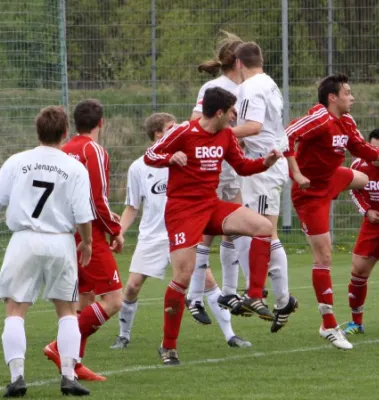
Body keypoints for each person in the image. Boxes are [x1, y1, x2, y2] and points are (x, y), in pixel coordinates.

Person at [144, 87, 281, 365]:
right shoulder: (183, 131)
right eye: (232, 111)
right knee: (182, 276)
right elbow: (150, 155)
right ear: (219, 112)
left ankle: (254, 295)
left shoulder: (227, 135)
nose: (234, 116)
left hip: (211, 205)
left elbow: (242, 167)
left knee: (263, 227)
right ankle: (168, 346)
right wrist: (170, 158)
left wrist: (264, 164)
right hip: (182, 211)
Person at [285, 73, 379, 349]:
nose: (352, 97)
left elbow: (361, 148)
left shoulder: (346, 121)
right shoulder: (319, 118)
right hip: (309, 193)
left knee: (365, 180)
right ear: (333, 97)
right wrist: (296, 174)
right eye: (347, 93)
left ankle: (326, 202)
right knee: (324, 256)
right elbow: (287, 136)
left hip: (330, 179)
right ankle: (328, 324)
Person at [0, 106, 91, 397]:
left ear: (37, 131)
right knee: (67, 311)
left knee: (15, 309)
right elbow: (82, 215)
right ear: (65, 133)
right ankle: (68, 376)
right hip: (61, 241)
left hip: (24, 240)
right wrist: (87, 242)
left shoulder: (17, 161)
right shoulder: (75, 167)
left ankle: (17, 378)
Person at [110, 112, 251, 350]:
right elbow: (132, 207)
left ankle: (230, 335)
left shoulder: (189, 156)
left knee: (207, 282)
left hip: (184, 229)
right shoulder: (140, 166)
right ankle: (123, 335)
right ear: (158, 134)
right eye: (171, 127)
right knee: (132, 286)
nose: (179, 131)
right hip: (152, 236)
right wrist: (119, 232)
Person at [44, 99, 124, 381]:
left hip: (65, 233)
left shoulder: (63, 150)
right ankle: (59, 346)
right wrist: (115, 229)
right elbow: (97, 201)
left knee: (85, 298)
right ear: (101, 123)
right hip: (89, 235)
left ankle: (74, 364)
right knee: (114, 299)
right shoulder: (94, 150)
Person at [185, 31, 252, 324]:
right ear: (238, 61)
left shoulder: (249, 87)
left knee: (233, 228)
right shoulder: (214, 88)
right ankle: (195, 296)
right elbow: (194, 123)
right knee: (207, 232)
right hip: (212, 167)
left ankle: (228, 291)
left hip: (232, 167)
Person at [231, 41, 298, 333]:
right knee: (259, 232)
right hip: (269, 163)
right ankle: (278, 297)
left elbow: (254, 126)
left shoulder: (250, 87)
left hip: (264, 166)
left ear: (238, 64)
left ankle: (264, 294)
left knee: (260, 232)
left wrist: (217, 132)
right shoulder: (269, 82)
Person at [344, 128, 379, 335]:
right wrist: (367, 211)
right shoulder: (359, 165)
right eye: (373, 150)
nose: (378, 155)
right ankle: (356, 322)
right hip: (372, 224)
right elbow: (354, 190)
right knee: (358, 270)